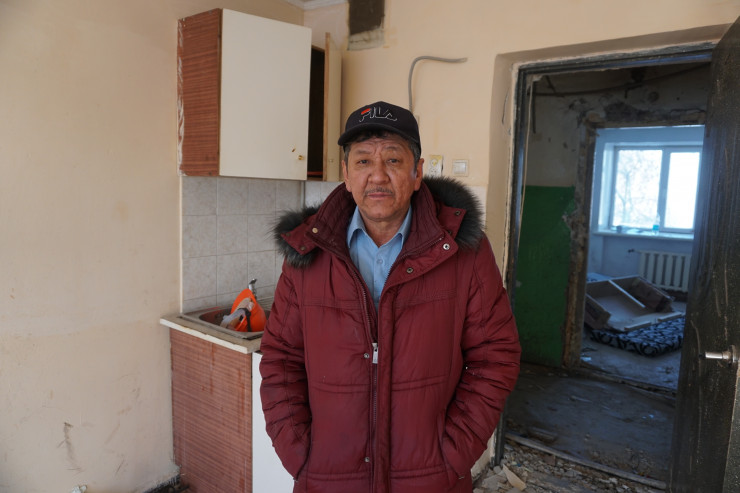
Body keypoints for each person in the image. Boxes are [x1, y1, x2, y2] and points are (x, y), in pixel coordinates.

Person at [259, 100, 521, 493]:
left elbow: (495, 354)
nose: (378, 175)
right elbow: (281, 358)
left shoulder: (462, 251)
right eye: (363, 161)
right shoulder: (308, 251)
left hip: (430, 479)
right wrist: (299, 452)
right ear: (346, 174)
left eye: (394, 160)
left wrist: (453, 452)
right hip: (329, 478)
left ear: (417, 173)